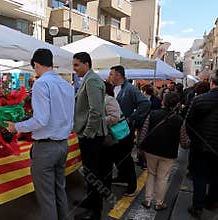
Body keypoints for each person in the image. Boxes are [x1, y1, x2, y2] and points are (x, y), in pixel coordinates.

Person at [5, 49, 74, 220]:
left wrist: (16, 127)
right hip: (63, 144)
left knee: (46, 198)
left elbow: (41, 119)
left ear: (36, 64)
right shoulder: (66, 84)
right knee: (59, 190)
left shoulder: (41, 84)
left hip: (46, 148)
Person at [73, 52, 108, 220]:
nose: (74, 68)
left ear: (86, 64)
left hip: (92, 135)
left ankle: (95, 211)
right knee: (90, 171)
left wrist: (87, 133)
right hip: (91, 134)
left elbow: (95, 110)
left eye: (77, 65)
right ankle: (91, 202)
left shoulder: (92, 80)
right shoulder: (89, 79)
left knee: (94, 172)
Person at [108, 65, 151, 196]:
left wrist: (131, 118)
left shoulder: (130, 89)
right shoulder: (112, 88)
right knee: (116, 155)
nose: (109, 76)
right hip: (114, 129)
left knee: (125, 157)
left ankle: (132, 185)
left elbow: (145, 103)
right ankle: (122, 177)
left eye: (111, 74)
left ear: (118, 75)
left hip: (125, 130)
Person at [138, 92, 185, 211]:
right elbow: (184, 141)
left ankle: (148, 200)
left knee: (151, 174)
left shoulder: (153, 114)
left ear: (163, 102)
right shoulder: (179, 120)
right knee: (163, 177)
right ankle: (159, 203)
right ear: (177, 104)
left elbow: (144, 131)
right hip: (168, 153)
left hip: (151, 149)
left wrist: (140, 146)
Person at [186, 69, 218, 218]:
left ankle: (197, 206)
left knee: (199, 176)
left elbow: (189, 123)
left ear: (211, 82)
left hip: (200, 145)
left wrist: (195, 139)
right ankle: (212, 202)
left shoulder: (199, 99)